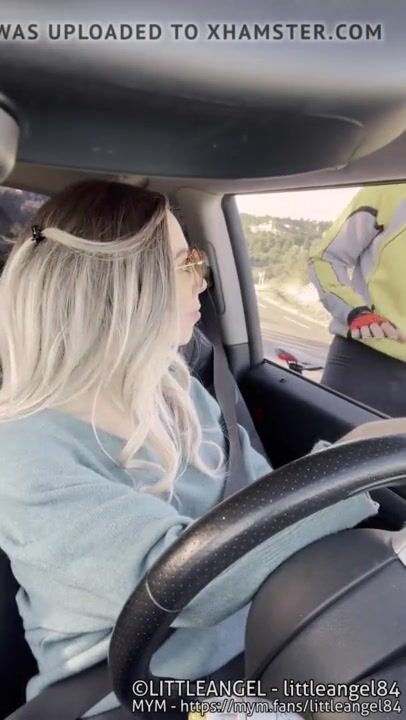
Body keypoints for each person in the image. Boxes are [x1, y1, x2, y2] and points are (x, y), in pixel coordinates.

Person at [0, 180, 377, 719]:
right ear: (121, 289)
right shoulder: (23, 452)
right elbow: (183, 588)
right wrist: (349, 467)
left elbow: (259, 499)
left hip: (267, 644)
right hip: (148, 691)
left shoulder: (175, 392)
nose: (202, 282)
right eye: (187, 264)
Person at [308, 183, 406, 416]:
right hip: (366, 360)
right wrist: (356, 312)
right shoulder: (390, 188)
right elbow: (325, 258)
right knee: (334, 438)